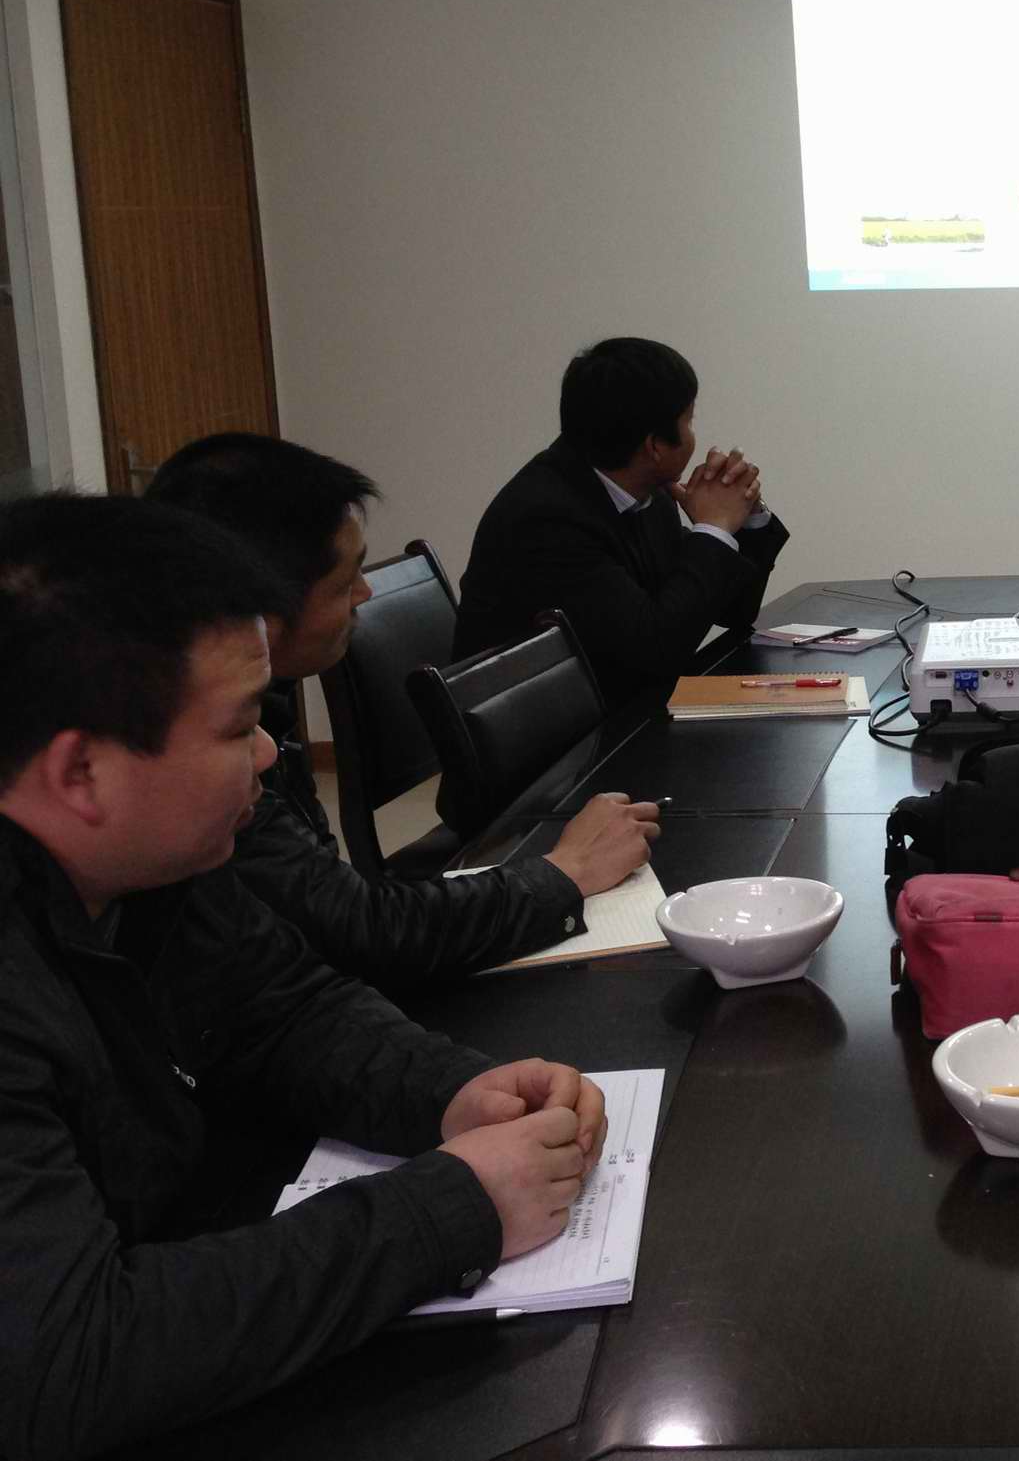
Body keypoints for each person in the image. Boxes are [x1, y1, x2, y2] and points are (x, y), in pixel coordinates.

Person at [0, 493, 612, 1459]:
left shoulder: (158, 862)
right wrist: (454, 1207)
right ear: (81, 773)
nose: (269, 754)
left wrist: (453, 1092)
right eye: (238, 725)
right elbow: (70, 1358)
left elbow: (284, 1006)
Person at [147, 433, 660, 987]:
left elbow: (313, 939)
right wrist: (564, 874)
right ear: (261, 608)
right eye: (345, 581)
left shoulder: (267, 700)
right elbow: (357, 932)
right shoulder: (199, 761)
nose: (364, 593)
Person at [453, 337, 789, 707]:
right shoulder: (548, 521)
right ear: (654, 446)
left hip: (616, 708)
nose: (694, 436)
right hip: (558, 734)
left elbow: (731, 610)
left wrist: (744, 514)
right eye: (689, 420)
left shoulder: (644, 490)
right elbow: (655, 652)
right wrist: (714, 530)